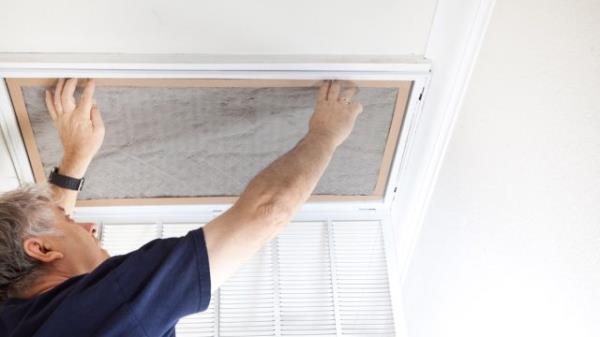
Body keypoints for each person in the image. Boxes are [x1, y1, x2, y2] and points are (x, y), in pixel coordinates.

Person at [0, 78, 363, 336]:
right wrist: (325, 134)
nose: (91, 226)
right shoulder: (106, 308)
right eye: (72, 221)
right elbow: (266, 210)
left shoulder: (87, 308)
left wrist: (73, 167)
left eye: (73, 219)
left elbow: (268, 211)